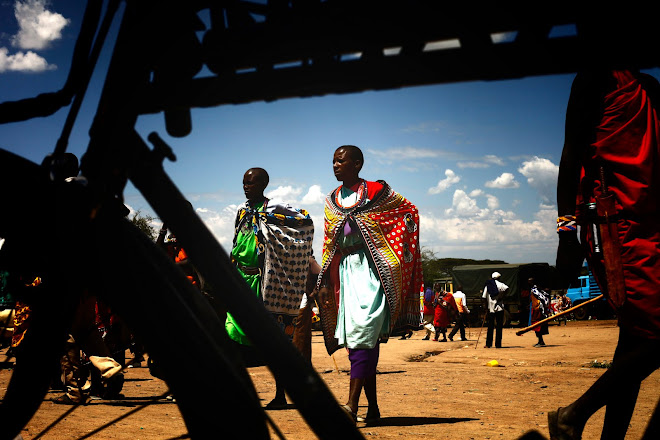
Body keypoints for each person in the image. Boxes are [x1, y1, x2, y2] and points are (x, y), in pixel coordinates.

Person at [550, 17, 660, 440]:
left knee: (634, 341)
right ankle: (573, 414)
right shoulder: (593, 80)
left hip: (652, 222)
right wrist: (565, 231)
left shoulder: (649, 88)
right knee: (653, 333)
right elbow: (570, 155)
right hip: (617, 227)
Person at [316, 145, 423, 424]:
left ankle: (351, 405)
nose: (335, 165)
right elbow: (329, 243)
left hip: (373, 270)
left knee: (364, 332)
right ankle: (372, 408)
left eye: (341, 161)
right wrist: (326, 281)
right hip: (346, 272)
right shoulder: (331, 200)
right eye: (333, 161)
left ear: (358, 164)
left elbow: (409, 211)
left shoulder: (377, 192)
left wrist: (390, 252)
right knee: (358, 341)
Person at [227, 167, 314, 409]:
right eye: (244, 182)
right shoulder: (242, 211)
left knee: (276, 341)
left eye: (251, 183)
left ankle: (280, 394)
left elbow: (303, 222)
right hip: (240, 281)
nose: (246, 187)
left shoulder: (274, 207)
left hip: (266, 283)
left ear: (263, 184)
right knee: (231, 335)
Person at [482, 272, 508, 348]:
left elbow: (483, 297)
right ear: (499, 278)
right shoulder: (501, 285)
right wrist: (502, 296)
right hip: (499, 308)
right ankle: (498, 344)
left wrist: (486, 307)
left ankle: (488, 344)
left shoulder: (488, 286)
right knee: (499, 326)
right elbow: (507, 289)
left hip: (491, 309)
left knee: (490, 326)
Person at [528, 278, 550, 347]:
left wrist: (541, 307)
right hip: (535, 309)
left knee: (538, 325)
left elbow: (543, 299)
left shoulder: (535, 290)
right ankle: (540, 341)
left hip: (538, 310)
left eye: (530, 281)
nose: (529, 283)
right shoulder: (536, 289)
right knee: (536, 326)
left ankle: (541, 341)